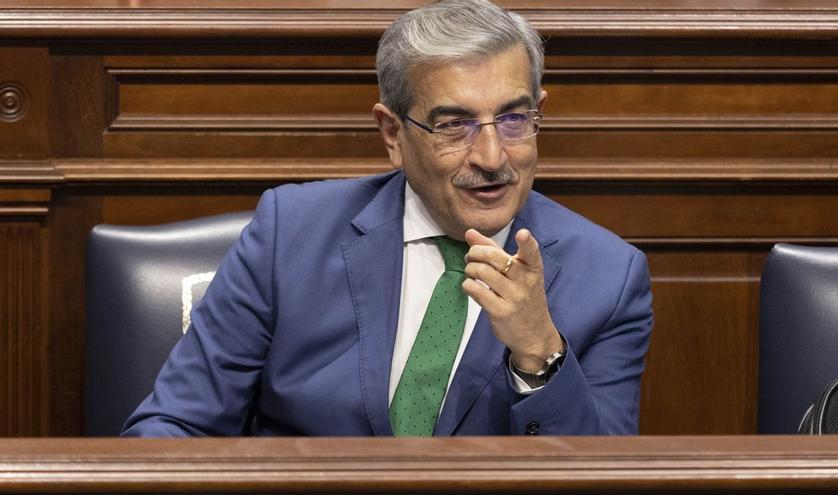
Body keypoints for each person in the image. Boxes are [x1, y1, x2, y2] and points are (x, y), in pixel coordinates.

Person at [122, 0, 653, 437]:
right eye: (454, 125)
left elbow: (598, 473)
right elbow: (175, 423)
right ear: (393, 134)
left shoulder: (609, 277)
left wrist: (540, 352)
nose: (493, 157)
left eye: (514, 119)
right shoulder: (290, 233)